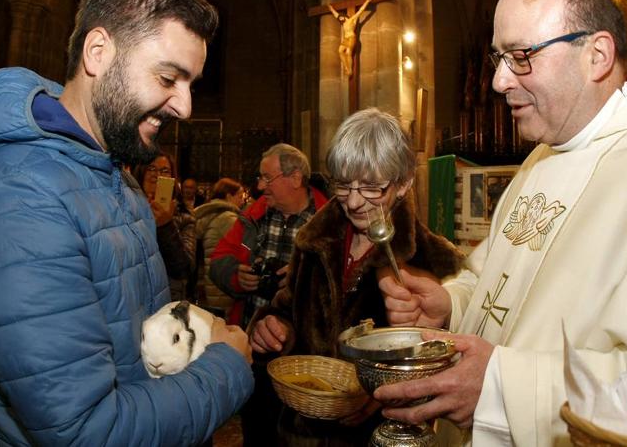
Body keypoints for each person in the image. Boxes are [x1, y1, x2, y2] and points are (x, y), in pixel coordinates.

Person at [372, 0, 627, 445]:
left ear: (597, 55)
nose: (498, 80)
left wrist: (502, 389)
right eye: (499, 58)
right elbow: (490, 279)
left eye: (522, 56)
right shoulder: (541, 159)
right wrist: (450, 303)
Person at [0, 0, 253, 444]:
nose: (185, 107)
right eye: (168, 78)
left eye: (190, 84)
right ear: (98, 51)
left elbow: (136, 347)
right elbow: (86, 433)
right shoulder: (19, 202)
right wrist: (226, 368)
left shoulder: (115, 179)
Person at [250, 108, 464, 444]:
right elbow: (288, 308)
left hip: (376, 436)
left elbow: (444, 366)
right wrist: (272, 328)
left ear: (405, 183)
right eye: (343, 184)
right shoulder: (313, 240)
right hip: (299, 430)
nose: (352, 201)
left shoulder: (436, 260)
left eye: (371, 187)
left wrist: (380, 394)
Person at [208, 143, 327, 445]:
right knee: (257, 432)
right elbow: (219, 259)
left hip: (306, 359)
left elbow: (348, 282)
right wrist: (238, 277)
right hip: (255, 353)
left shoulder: (328, 222)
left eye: (266, 178)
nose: (260, 186)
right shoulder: (254, 216)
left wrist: (304, 277)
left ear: (295, 178)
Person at [133, 152, 197, 302]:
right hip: (134, 292)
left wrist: (165, 226)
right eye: (151, 168)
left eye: (165, 171)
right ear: (141, 172)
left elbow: (184, 269)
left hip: (167, 298)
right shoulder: (127, 208)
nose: (157, 175)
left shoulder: (184, 217)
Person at [193, 178, 246, 317]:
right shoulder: (229, 219)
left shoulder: (211, 214)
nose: (242, 201)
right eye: (240, 196)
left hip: (209, 283)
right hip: (223, 285)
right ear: (229, 196)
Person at [328, 0, 372, 77]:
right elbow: (335, 15)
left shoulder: (352, 20)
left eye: (341, 18)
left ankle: (350, 70)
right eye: (339, 19)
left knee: (348, 52)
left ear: (344, 16)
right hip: (346, 38)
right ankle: (346, 67)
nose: (340, 19)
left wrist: (367, 1)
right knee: (340, 51)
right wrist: (331, 9)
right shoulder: (343, 23)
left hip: (352, 37)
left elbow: (360, 11)